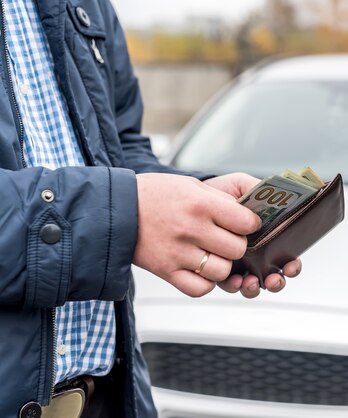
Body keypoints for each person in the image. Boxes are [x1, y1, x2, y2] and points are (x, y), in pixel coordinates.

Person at [0, 1, 301, 417]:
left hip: (106, 399)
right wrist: (126, 214)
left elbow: (118, 146)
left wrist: (197, 203)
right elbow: (122, 197)